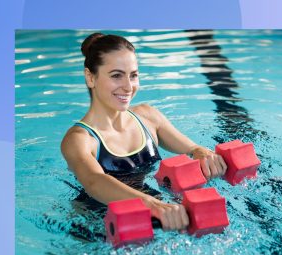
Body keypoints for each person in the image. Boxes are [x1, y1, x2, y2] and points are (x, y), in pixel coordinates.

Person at [61, 32, 227, 232]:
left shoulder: (148, 117)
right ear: (90, 77)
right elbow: (94, 182)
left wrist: (202, 153)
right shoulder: (79, 139)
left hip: (153, 213)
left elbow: (192, 147)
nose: (128, 87)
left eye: (133, 75)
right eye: (116, 76)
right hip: (97, 226)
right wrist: (151, 204)